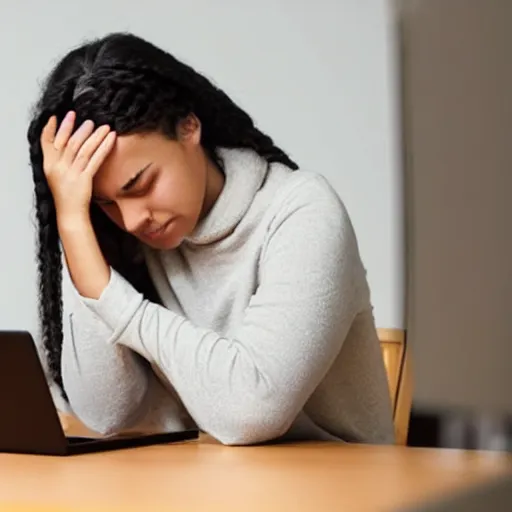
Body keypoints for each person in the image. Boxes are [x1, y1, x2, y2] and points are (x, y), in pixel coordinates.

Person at [27, 32, 395, 446]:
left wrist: (110, 297)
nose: (131, 219)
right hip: (201, 489)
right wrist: (76, 225)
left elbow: (250, 411)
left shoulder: (303, 212)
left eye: (140, 183)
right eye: (106, 203)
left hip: (343, 493)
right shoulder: (121, 238)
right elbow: (107, 411)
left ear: (189, 127)